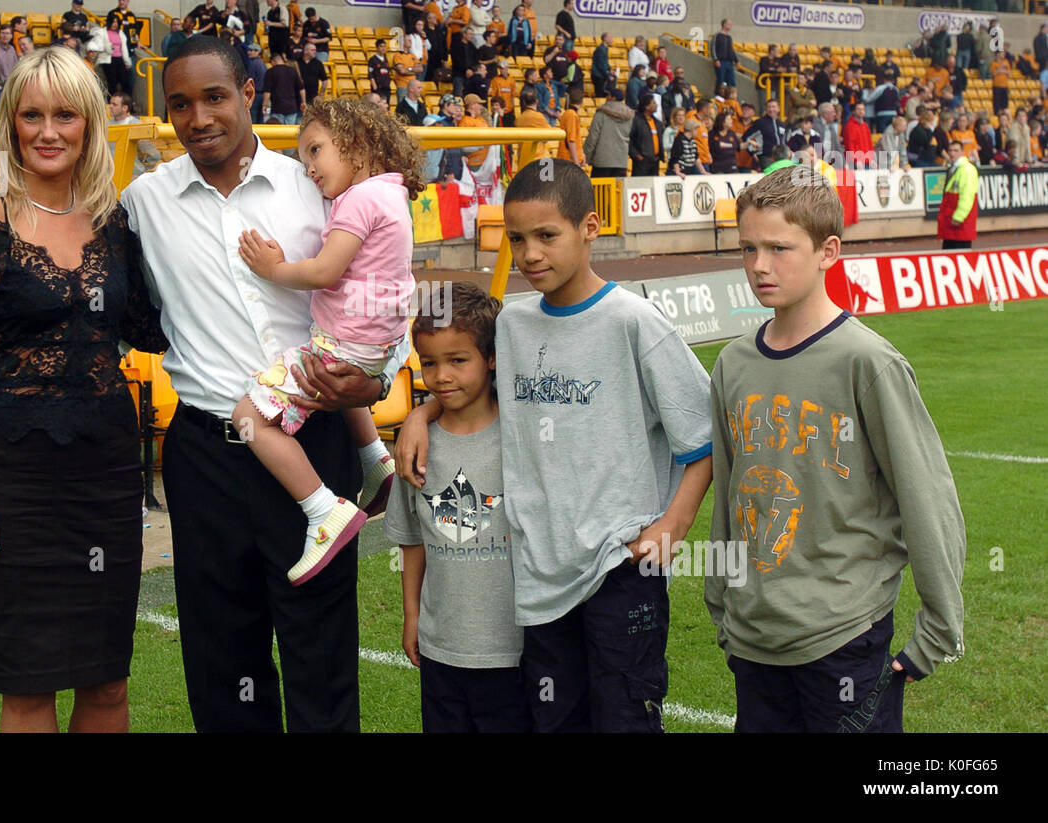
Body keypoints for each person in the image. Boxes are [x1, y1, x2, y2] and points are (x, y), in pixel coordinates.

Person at [121, 36, 403, 731]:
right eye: (180, 103)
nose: (198, 117)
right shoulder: (141, 203)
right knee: (223, 666)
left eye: (215, 96)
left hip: (314, 442)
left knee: (322, 659)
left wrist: (372, 384)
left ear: (249, 95)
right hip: (205, 458)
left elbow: (386, 291)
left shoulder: (316, 189)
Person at [395, 159, 713, 732]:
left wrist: (671, 528)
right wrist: (423, 411)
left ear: (590, 227)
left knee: (624, 717)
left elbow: (704, 436)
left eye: (547, 235)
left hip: (620, 565)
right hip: (538, 570)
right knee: (554, 720)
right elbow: (465, 384)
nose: (530, 253)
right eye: (517, 239)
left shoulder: (635, 322)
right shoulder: (513, 326)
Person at [0, 46, 167, 732]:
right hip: (14, 477)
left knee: (108, 682)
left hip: (107, 472)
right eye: (33, 115)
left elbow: (151, 330)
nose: (49, 130)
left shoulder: (114, 222)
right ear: (12, 123)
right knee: (27, 688)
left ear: (89, 123)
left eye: (65, 114)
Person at [706, 166, 966, 733]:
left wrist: (937, 631)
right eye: (748, 248)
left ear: (828, 251)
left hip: (844, 636)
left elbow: (928, 500)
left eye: (779, 247)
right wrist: (722, 603)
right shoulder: (733, 364)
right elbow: (728, 496)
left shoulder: (867, 363)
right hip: (754, 639)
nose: (759, 265)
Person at [232, 97, 416, 583]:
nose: (308, 167)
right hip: (372, 350)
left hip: (344, 345)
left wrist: (272, 269)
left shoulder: (358, 199)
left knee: (249, 416)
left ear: (356, 144)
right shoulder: (391, 193)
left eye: (315, 151)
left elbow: (324, 270)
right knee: (332, 383)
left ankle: (321, 510)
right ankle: (376, 459)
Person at [383, 283, 528, 732]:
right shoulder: (416, 449)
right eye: (429, 363)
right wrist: (413, 617)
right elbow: (411, 542)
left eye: (457, 360)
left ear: (491, 358)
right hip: (442, 648)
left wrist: (417, 413)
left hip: (516, 650)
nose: (441, 376)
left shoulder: (522, 435)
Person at [583, 84, 633, 179]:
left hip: (602, 161)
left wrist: (586, 157)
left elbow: (593, 138)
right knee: (618, 192)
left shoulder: (601, 114)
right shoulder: (630, 116)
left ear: (613, 98)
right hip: (621, 161)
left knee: (600, 192)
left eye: (608, 95)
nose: (606, 97)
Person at [937, 139, 978, 250]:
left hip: (959, 223)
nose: (952, 153)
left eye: (956, 150)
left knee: (960, 254)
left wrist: (959, 216)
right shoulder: (954, 168)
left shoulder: (967, 170)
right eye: (950, 150)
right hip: (951, 221)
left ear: (962, 152)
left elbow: (967, 196)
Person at [629, 92, 662, 176]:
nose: (656, 105)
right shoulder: (636, 121)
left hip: (655, 162)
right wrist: (637, 155)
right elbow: (629, 140)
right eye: (653, 103)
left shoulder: (657, 122)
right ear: (646, 106)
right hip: (641, 163)